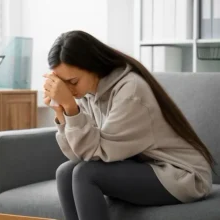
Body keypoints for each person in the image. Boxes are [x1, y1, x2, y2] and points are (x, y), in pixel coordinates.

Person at [43, 30, 215, 220]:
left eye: (73, 81)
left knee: (86, 174)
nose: (69, 89)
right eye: (62, 84)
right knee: (65, 172)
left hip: (181, 175)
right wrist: (63, 114)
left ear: (93, 66)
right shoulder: (87, 95)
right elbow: (78, 155)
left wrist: (71, 108)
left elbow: (95, 154)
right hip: (144, 167)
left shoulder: (130, 90)